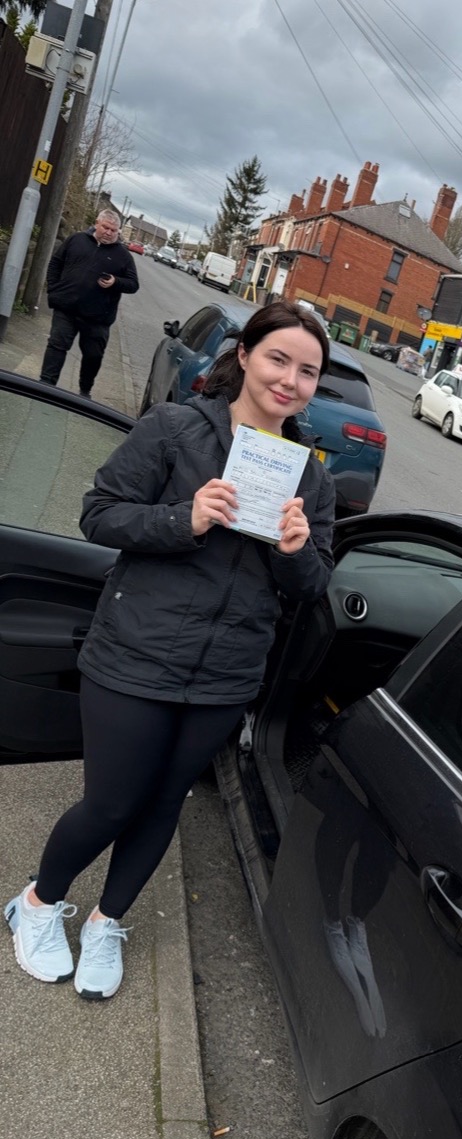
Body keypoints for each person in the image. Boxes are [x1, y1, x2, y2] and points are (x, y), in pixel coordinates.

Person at [5, 300, 336, 1000]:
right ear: (244, 355)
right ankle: (36, 904)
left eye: (308, 371)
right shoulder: (176, 429)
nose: (291, 380)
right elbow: (98, 514)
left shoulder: (310, 477)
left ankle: (105, 922)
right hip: (135, 654)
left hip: (224, 676)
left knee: (162, 807)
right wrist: (181, 519)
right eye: (279, 358)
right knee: (111, 803)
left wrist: (295, 549)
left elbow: (312, 586)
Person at [39, 210, 140, 399]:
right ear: (96, 224)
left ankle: (84, 392)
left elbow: (133, 285)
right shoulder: (76, 240)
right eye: (106, 227)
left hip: (98, 318)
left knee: (93, 356)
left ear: (118, 232)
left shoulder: (123, 255)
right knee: (56, 345)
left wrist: (115, 282)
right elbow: (55, 263)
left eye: (114, 230)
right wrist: (54, 289)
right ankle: (45, 385)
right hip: (66, 308)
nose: (109, 232)